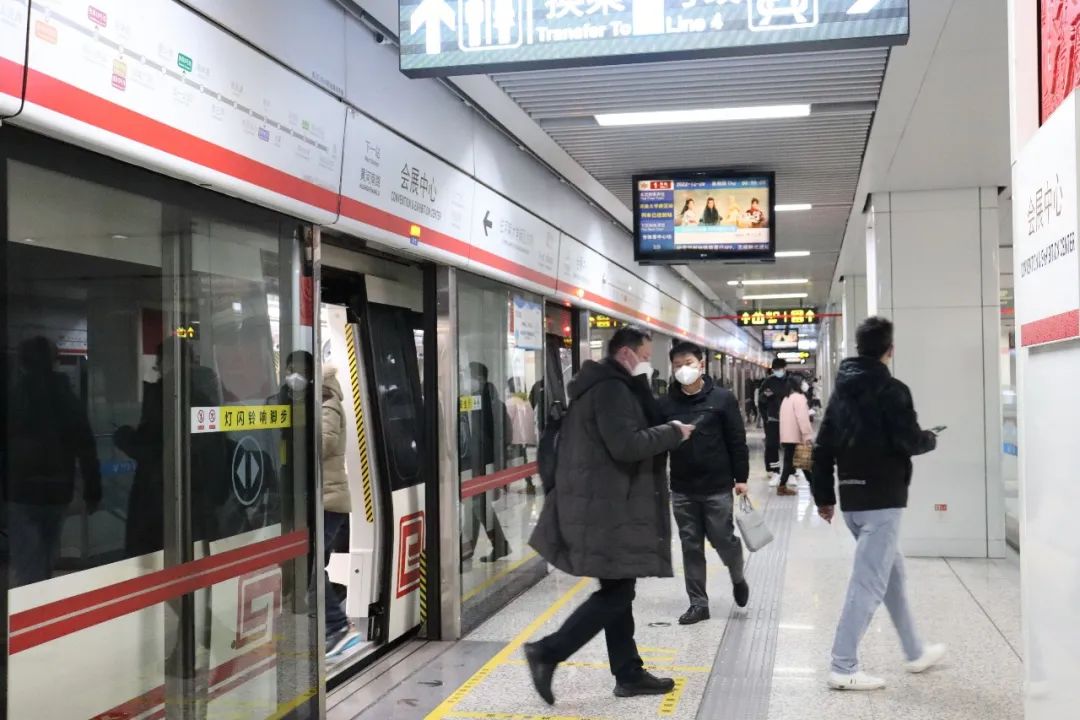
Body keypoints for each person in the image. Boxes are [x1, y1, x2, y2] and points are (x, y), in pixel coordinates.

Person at [525, 326, 694, 705]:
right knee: (618, 592)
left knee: (618, 589)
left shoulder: (607, 387)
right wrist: (673, 433)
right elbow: (626, 445)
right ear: (626, 354)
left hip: (604, 505)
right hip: (607, 509)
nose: (648, 365)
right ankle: (548, 651)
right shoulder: (612, 390)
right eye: (645, 357)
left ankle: (628, 673)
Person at [812, 317, 946, 691]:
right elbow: (908, 441)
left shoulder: (841, 393)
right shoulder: (893, 390)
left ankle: (915, 651)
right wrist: (930, 438)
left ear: (858, 348)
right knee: (868, 583)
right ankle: (843, 666)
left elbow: (822, 449)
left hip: (852, 501)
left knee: (892, 576)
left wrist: (824, 497)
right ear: (890, 349)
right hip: (883, 501)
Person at [660, 342, 750, 625]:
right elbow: (657, 442)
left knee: (723, 539)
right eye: (677, 365)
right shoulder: (666, 404)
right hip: (682, 488)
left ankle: (737, 576)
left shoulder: (722, 399)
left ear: (701, 364)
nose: (682, 369)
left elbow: (737, 440)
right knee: (691, 546)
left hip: (717, 486)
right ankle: (698, 604)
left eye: (688, 363)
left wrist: (742, 478)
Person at [9, 337, 101, 586]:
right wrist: (93, 490)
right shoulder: (67, 398)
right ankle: (41, 597)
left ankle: (32, 603)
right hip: (58, 491)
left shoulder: (15, 398)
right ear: (54, 361)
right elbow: (86, 446)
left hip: (21, 492)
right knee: (46, 556)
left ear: (22, 363)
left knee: (28, 563)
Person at [312, 364, 360, 657]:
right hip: (323, 499)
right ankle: (336, 619)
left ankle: (338, 627)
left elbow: (325, 443)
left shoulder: (328, 405)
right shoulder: (320, 404)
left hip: (329, 500)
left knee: (310, 568)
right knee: (315, 565)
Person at [461, 362, 511, 563]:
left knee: (477, 505)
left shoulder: (484, 403)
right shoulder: (487, 401)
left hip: (482, 463)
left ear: (479, 379)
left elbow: (491, 437)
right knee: (475, 505)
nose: (466, 380)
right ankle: (470, 548)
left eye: (468, 376)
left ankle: (496, 545)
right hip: (481, 463)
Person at [778, 374, 814, 497]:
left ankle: (783, 486)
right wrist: (807, 435)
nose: (805, 384)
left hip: (787, 436)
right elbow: (802, 419)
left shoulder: (786, 398)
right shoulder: (799, 398)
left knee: (795, 461)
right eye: (803, 381)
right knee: (800, 461)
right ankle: (813, 485)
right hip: (795, 436)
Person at [758, 358, 790, 485]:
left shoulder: (791, 381)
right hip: (773, 419)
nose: (777, 372)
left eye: (779, 369)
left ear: (785, 368)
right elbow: (761, 400)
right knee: (772, 445)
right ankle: (774, 470)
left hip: (789, 419)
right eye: (775, 369)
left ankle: (790, 472)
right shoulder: (768, 382)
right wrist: (765, 417)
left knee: (790, 446)